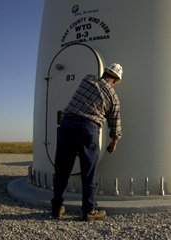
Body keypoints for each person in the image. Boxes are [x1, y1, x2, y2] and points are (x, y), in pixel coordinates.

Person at [51, 63, 123, 221]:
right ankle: (89, 211)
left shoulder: (88, 79)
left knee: (62, 169)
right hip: (88, 128)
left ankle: (56, 207)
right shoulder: (113, 97)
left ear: (104, 73)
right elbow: (114, 122)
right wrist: (114, 141)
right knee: (88, 173)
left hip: (67, 123)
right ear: (115, 81)